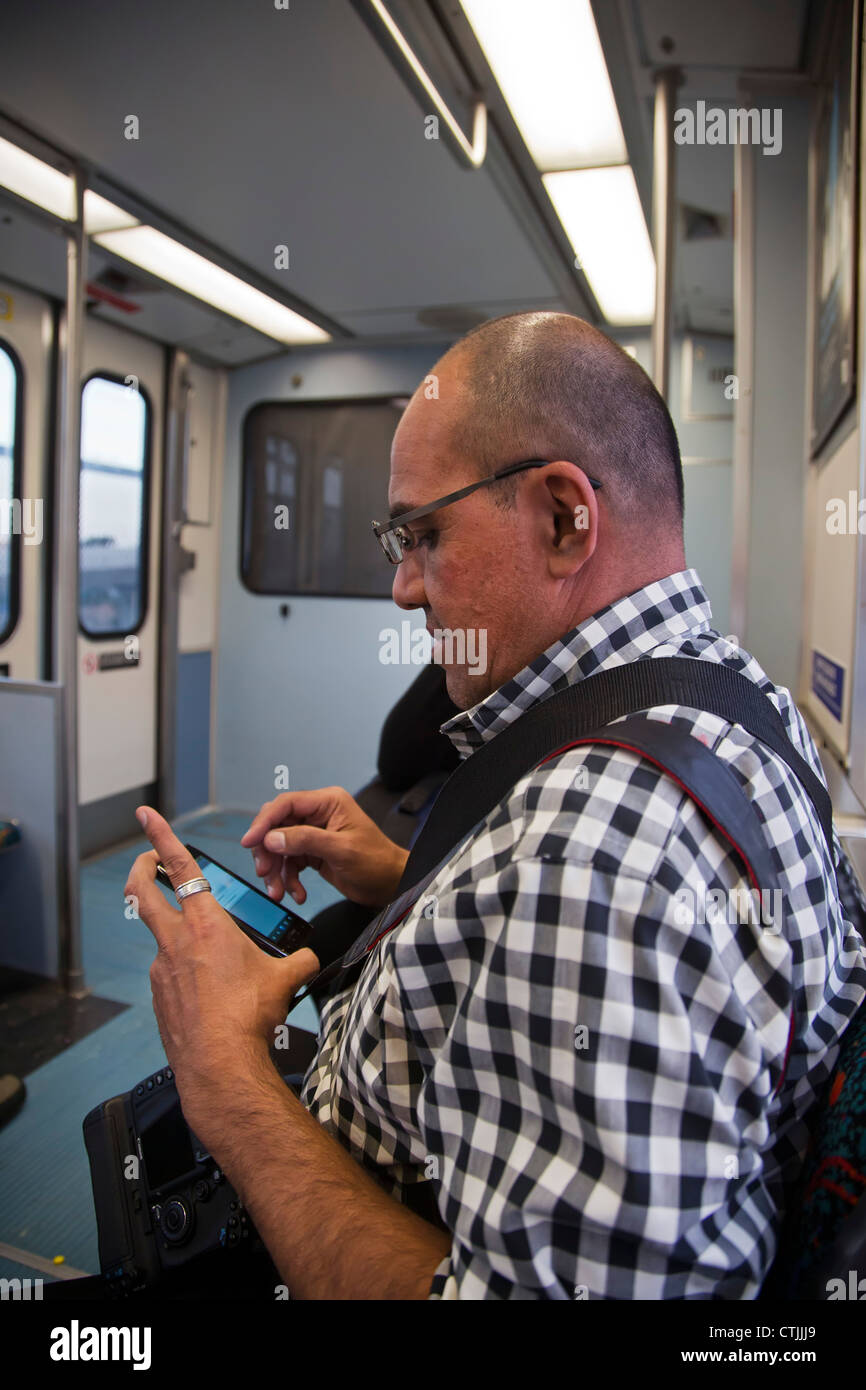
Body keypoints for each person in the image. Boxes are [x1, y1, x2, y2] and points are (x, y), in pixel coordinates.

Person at [127, 311, 865, 1300]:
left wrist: (231, 1085)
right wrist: (407, 878)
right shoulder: (729, 699)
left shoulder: (589, 865)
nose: (400, 588)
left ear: (564, 517)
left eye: (422, 534)